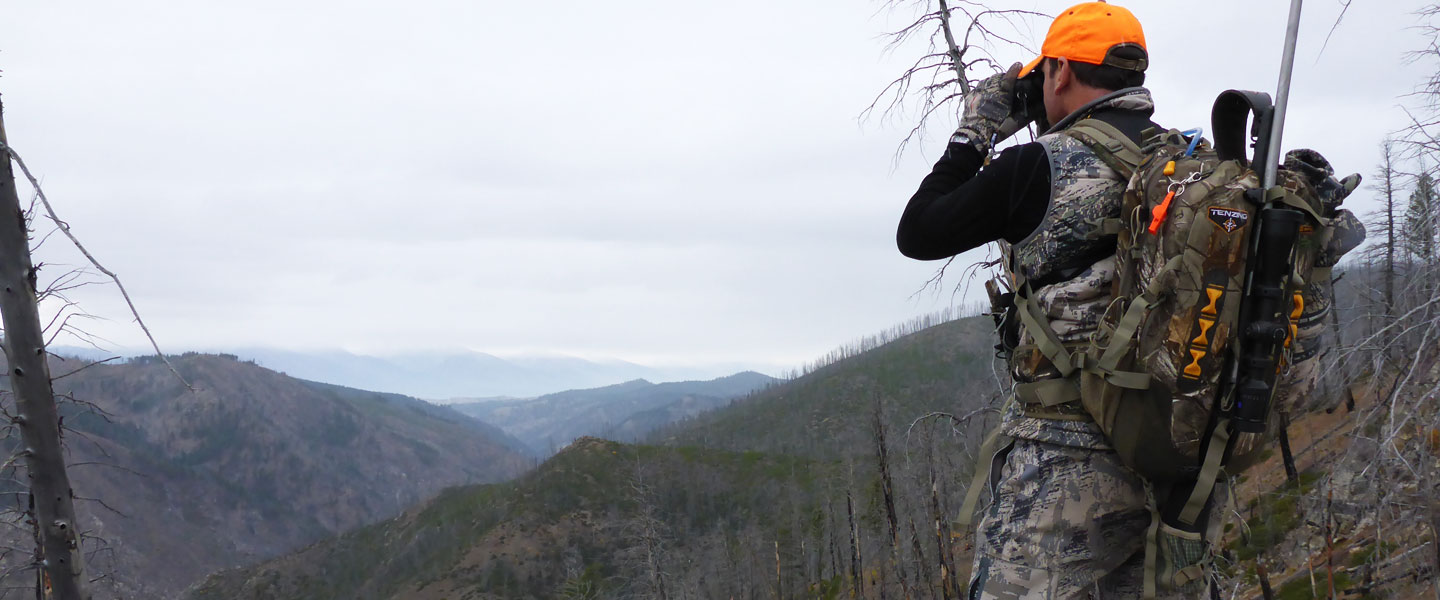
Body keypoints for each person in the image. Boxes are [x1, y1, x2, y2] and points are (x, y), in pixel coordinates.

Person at [898, 3, 1365, 598]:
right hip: (1176, 458)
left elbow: (919, 231)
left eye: (1046, 74)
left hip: (1062, 471)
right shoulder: (1189, 165)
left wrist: (977, 130)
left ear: (1060, 73)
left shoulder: (1037, 166)